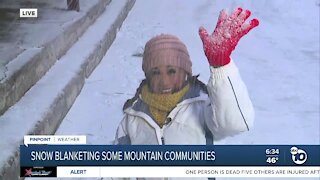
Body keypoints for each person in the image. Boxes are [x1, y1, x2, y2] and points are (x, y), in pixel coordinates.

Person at [114, 7, 259, 146]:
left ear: (185, 72)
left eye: (172, 71)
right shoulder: (131, 119)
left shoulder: (204, 108)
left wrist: (220, 66)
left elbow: (236, 123)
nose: (164, 81)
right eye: (156, 72)